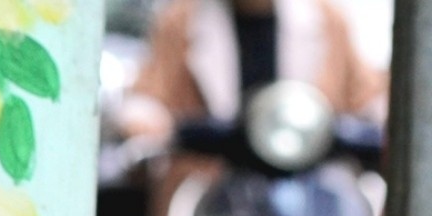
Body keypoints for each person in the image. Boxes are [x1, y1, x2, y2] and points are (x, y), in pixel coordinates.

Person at [120, 0, 386, 141]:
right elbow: (146, 97)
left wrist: (385, 114)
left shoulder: (327, 19)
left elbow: (365, 95)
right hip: (209, 195)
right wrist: (146, 118)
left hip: (308, 191)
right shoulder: (180, 21)